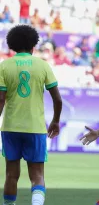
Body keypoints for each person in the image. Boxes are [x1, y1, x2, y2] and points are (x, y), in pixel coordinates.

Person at [0, 25, 62, 205]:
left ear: (12, 45)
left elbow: (1, 100)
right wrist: (56, 122)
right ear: (33, 45)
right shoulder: (42, 65)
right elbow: (57, 99)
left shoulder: (4, 66)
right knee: (37, 176)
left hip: (11, 127)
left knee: (11, 175)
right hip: (35, 127)